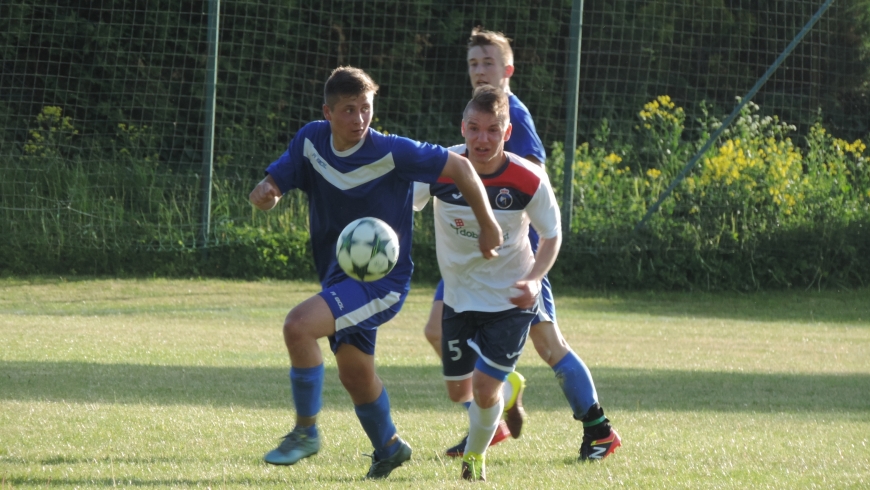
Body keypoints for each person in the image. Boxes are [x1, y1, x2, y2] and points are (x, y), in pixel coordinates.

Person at [249, 66, 503, 480]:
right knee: (355, 373)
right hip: (337, 279)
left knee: (298, 326)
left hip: (382, 283)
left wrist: (488, 223)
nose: (359, 119)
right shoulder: (310, 141)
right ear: (327, 113)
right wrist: (266, 194)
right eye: (348, 110)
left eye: (366, 108)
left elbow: (461, 169)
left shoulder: (394, 151)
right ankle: (388, 447)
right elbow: (273, 184)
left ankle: (305, 432)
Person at [422, 28, 621, 462]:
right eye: (473, 63)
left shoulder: (514, 114)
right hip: (470, 262)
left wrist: (529, 270)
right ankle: (490, 413)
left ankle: (598, 429)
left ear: (507, 69)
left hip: (515, 258)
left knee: (549, 345)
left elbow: (527, 180)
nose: (479, 71)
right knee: (437, 330)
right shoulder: (479, 115)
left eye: (488, 63)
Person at [413, 85, 561, 480]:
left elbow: (552, 235)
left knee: (480, 387)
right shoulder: (441, 167)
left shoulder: (528, 179)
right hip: (458, 298)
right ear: (462, 128)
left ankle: (474, 460)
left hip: (511, 300)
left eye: (493, 130)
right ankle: (507, 389)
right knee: (458, 392)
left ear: (507, 133)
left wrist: (533, 280)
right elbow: (402, 203)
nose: (483, 139)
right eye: (475, 128)